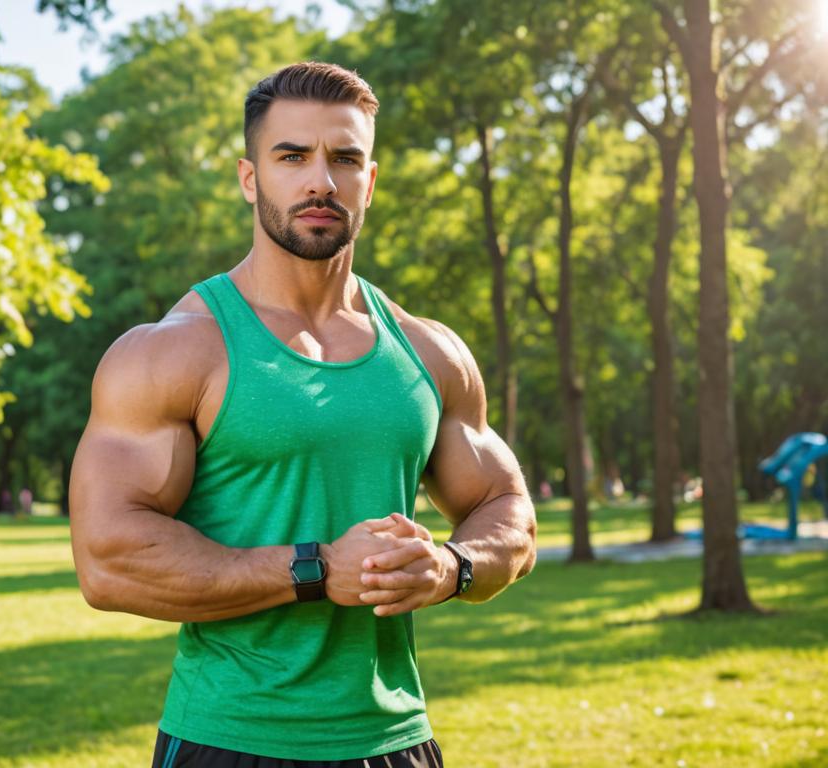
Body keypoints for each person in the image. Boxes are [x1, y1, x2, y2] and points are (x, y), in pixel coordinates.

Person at [69, 62, 537, 768]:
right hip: (230, 740)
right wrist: (314, 569)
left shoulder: (429, 352)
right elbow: (108, 562)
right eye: (292, 156)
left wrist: (450, 566)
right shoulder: (175, 352)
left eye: (345, 158)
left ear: (369, 182)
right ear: (250, 178)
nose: (321, 180)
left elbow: (508, 507)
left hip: (396, 740)